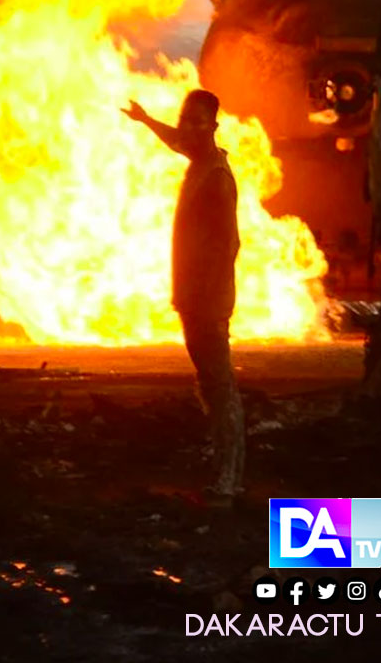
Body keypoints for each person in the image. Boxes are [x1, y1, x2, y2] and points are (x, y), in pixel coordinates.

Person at [124, 90, 245, 504]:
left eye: (197, 121)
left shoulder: (216, 177)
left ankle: (229, 479)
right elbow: (175, 139)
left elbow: (228, 244)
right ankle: (222, 468)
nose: (187, 128)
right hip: (193, 300)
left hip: (207, 303)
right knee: (210, 386)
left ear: (213, 126)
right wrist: (145, 120)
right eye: (184, 119)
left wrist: (210, 304)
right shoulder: (197, 160)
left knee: (220, 387)